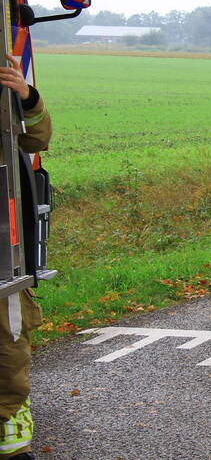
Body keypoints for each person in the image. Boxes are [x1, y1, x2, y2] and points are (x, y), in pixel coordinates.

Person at [0, 53, 52, 460]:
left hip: (3, 250)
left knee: (7, 346)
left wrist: (25, 95)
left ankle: (12, 445)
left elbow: (36, 139)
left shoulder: (7, 85)